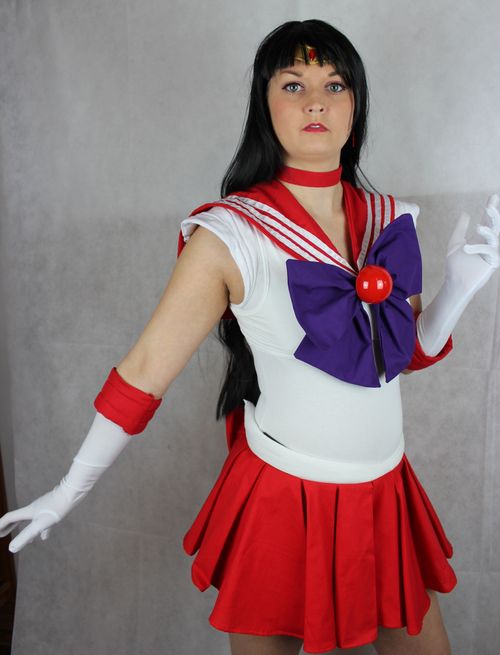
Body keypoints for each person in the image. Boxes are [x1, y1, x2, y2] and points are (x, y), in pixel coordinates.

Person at [0, 18, 498, 655]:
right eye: (293, 84)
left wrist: (459, 290)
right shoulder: (229, 235)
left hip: (384, 492)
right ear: (265, 106)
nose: (315, 101)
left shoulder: (389, 219)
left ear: (356, 107)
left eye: (335, 84)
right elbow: (146, 367)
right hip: (282, 497)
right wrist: (70, 489)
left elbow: (398, 355)